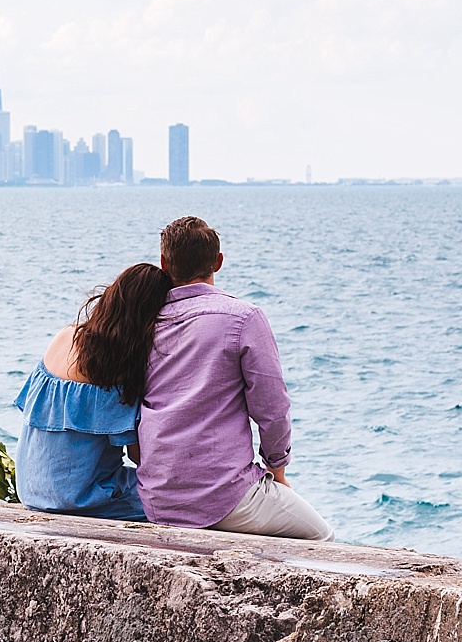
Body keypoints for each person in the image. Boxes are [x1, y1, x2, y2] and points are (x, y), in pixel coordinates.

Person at [137, 216, 334, 541]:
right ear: (218, 261)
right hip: (223, 495)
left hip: (158, 498)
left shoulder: (146, 323)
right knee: (322, 539)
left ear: (164, 264)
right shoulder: (243, 318)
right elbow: (272, 408)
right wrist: (277, 469)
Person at [14, 262, 173, 520]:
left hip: (31, 490)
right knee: (181, 503)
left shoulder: (65, 336)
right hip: (81, 497)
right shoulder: (118, 368)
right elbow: (140, 456)